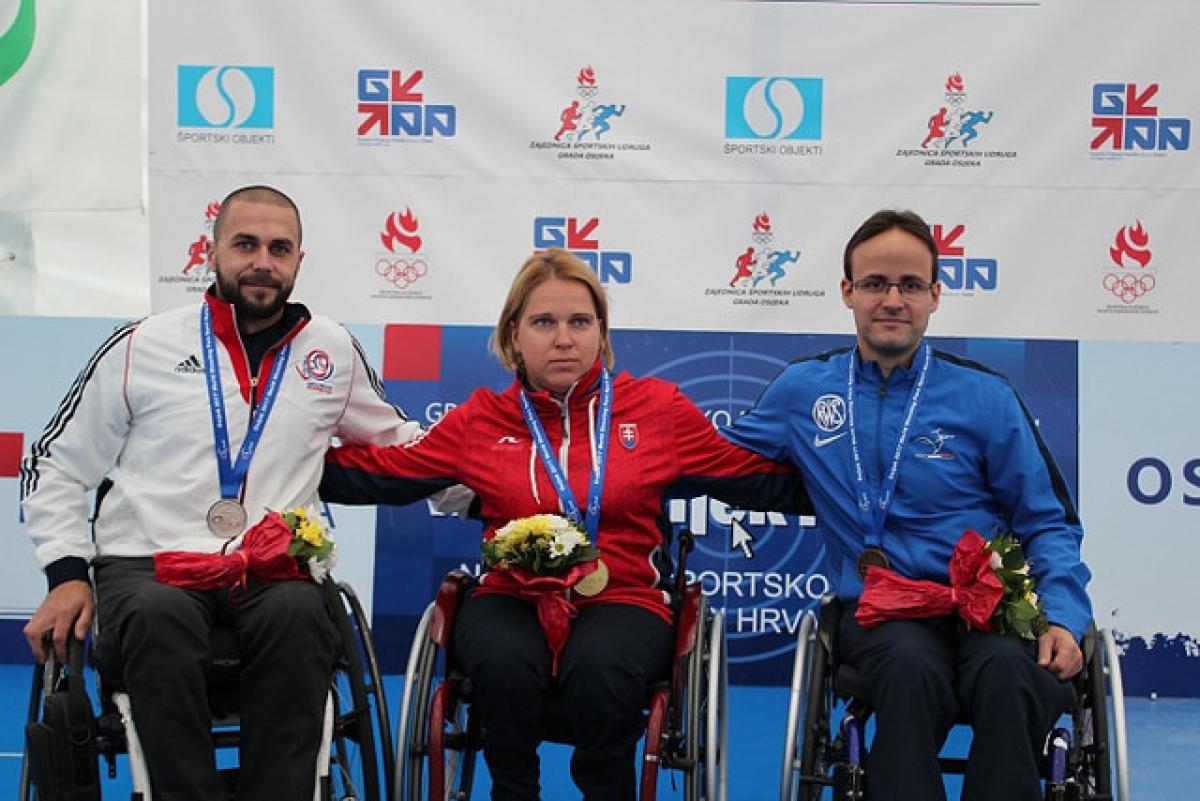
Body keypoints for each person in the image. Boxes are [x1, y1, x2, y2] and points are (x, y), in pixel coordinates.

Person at [320, 248, 807, 801]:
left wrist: (845, 492)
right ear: (513, 336)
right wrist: (286, 461)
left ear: (600, 331)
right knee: (502, 662)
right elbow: (387, 472)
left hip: (623, 595)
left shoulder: (657, 410)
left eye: (580, 321)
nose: (564, 338)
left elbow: (749, 476)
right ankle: (514, 791)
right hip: (510, 593)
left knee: (599, 666)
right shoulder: (482, 419)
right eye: (544, 322)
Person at [20, 185, 438, 801]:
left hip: (272, 566)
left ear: (299, 261)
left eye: (279, 247)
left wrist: (492, 470)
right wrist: (65, 572)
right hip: (149, 566)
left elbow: (399, 442)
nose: (262, 261)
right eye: (245, 244)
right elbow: (55, 461)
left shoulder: (331, 349)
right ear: (211, 253)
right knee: (160, 618)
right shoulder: (143, 345)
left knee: (300, 616)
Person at [723, 209, 1092, 801]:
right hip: (885, 615)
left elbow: (1047, 521)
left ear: (934, 296)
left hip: (989, 607)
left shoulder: (986, 396)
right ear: (848, 292)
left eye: (910, 285)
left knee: (1008, 675)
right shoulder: (803, 391)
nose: (892, 299)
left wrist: (1065, 618)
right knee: (910, 671)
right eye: (874, 284)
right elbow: (710, 457)